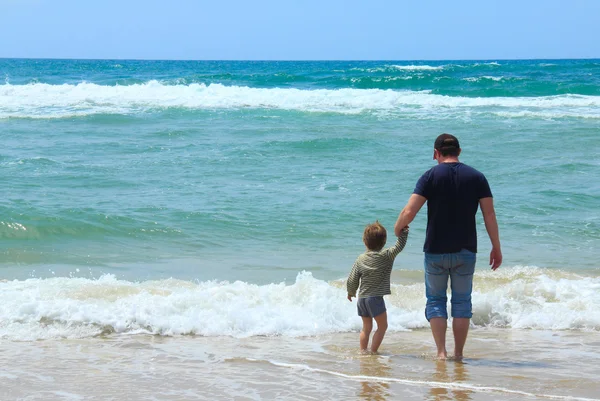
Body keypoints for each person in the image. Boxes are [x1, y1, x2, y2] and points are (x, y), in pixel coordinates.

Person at [393, 133, 502, 360]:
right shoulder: (477, 177)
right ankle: (459, 353)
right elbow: (489, 214)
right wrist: (496, 247)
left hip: (435, 251)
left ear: (436, 154)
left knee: (436, 301)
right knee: (462, 302)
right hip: (466, 250)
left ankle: (441, 353)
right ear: (459, 152)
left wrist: (398, 229)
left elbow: (409, 212)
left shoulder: (430, 176)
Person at [347, 221, 409, 353]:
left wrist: (351, 292)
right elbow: (399, 246)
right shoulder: (386, 255)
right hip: (375, 299)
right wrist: (404, 233)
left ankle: (363, 351)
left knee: (366, 328)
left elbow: (353, 277)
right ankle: (373, 352)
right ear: (384, 242)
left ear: (365, 241)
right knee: (382, 326)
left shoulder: (360, 259)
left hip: (362, 299)